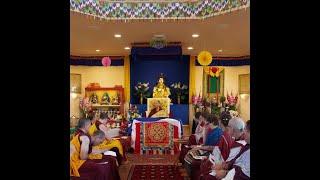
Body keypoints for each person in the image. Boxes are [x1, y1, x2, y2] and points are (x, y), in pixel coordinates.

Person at [184, 114, 223, 180]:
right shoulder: (211, 130)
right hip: (206, 149)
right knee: (189, 153)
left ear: (213, 122)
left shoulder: (217, 132)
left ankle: (190, 176)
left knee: (189, 156)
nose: (206, 124)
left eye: (208, 123)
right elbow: (205, 143)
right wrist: (197, 146)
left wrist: (199, 147)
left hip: (211, 152)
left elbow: (212, 147)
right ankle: (189, 175)